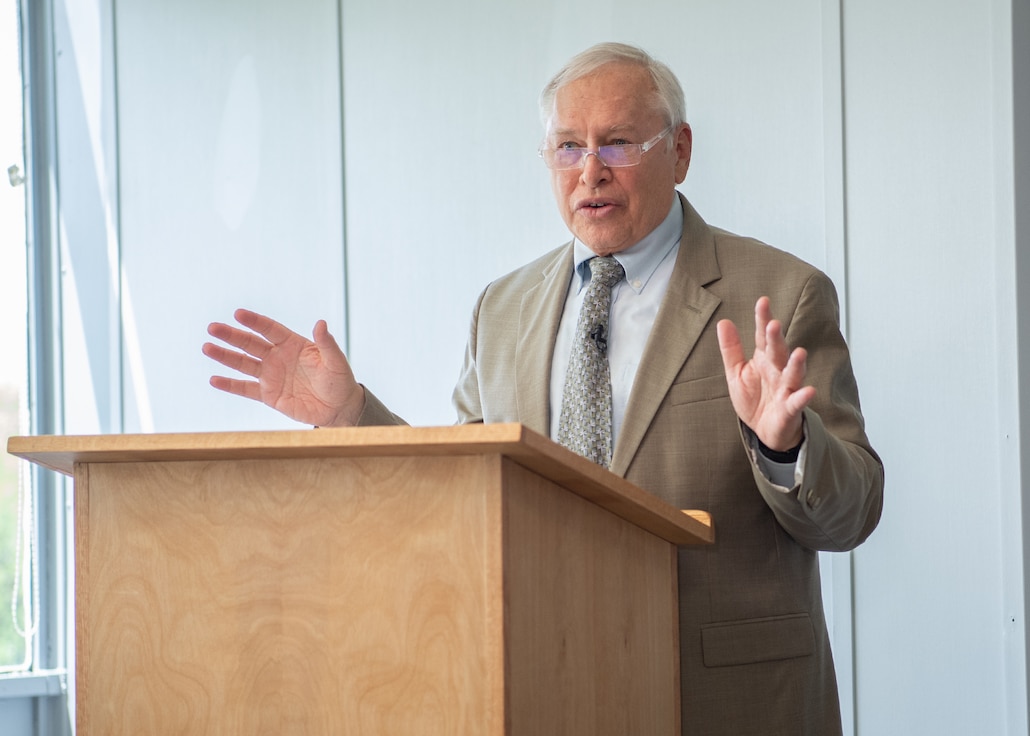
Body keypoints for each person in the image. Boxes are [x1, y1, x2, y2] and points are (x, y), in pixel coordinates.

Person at [203, 42, 883, 736]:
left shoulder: (779, 294)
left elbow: (849, 515)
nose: (591, 171)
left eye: (618, 142)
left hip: (724, 701)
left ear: (679, 151)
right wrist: (351, 417)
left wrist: (785, 445)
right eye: (567, 147)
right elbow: (465, 498)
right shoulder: (502, 309)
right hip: (543, 686)